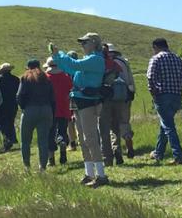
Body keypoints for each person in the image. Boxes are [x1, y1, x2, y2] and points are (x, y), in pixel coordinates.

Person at [50, 33, 109, 186]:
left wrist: (59, 54)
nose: (82, 45)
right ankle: (89, 173)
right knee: (83, 139)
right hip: (79, 101)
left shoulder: (95, 59)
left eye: (85, 42)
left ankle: (101, 175)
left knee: (90, 138)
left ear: (94, 43)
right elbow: (68, 67)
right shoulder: (88, 60)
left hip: (87, 102)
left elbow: (73, 66)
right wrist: (57, 57)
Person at [146, 37, 182, 164]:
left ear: (155, 47)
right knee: (165, 123)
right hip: (177, 97)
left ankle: (178, 156)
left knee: (168, 126)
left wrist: (153, 91)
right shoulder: (179, 60)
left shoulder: (156, 59)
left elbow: (150, 76)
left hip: (162, 95)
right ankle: (158, 153)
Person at [16, 59, 55, 172]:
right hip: (46, 109)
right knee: (43, 140)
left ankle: (27, 166)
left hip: (30, 110)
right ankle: (42, 166)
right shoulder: (46, 78)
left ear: (28, 67)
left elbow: (19, 96)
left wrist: (23, 107)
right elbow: (52, 97)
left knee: (25, 140)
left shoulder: (25, 78)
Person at [99, 43, 136, 164]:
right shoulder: (124, 62)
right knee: (124, 122)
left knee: (111, 126)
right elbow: (130, 79)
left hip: (109, 97)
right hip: (124, 96)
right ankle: (128, 142)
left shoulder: (105, 63)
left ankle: (115, 151)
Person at [46, 57, 73, 167]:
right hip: (64, 107)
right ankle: (63, 149)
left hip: (50, 109)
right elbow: (70, 89)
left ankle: (51, 159)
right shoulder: (66, 77)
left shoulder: (46, 78)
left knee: (50, 133)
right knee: (62, 129)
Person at [0, 63, 20, 153]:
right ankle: (11, 139)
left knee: (3, 123)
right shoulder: (16, 79)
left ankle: (7, 141)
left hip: (2, 105)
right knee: (10, 122)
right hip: (13, 105)